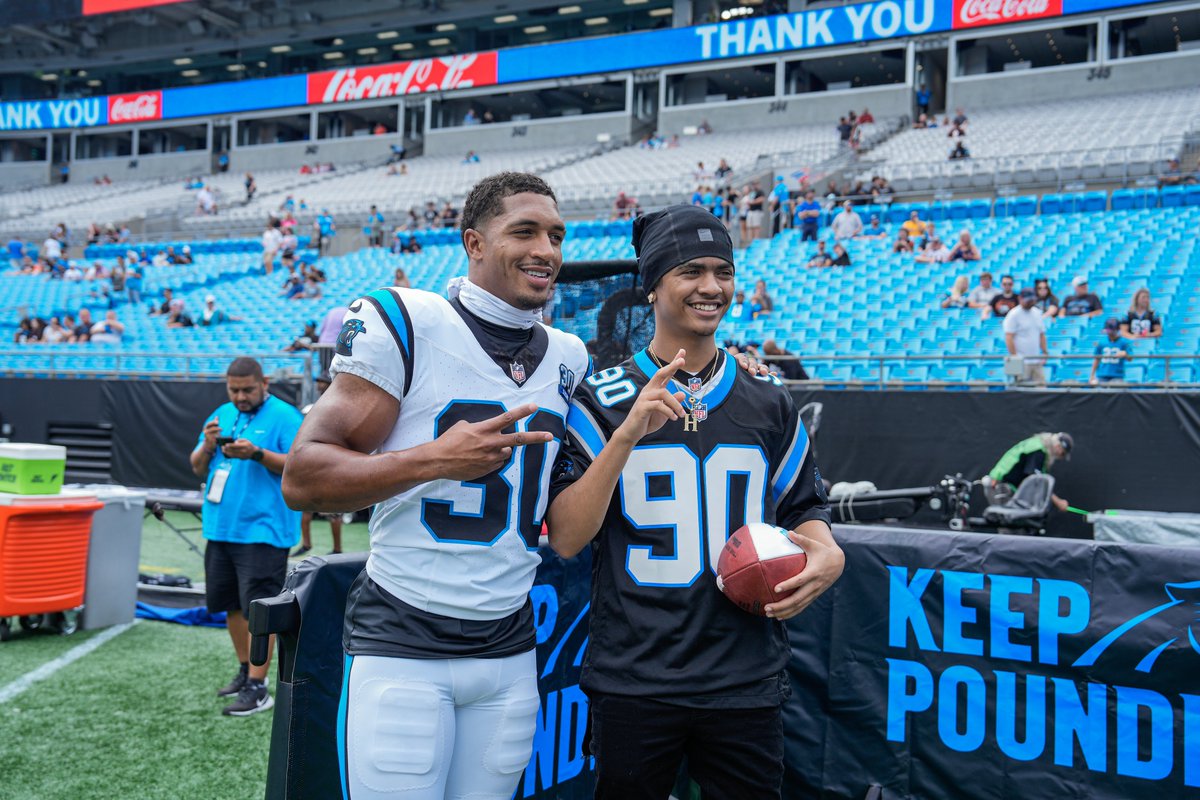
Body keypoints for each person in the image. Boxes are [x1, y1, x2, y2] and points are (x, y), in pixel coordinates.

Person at [280, 172, 591, 800]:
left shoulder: (568, 355)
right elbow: (304, 477)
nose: (546, 250)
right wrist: (433, 460)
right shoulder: (406, 320)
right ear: (474, 243)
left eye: (556, 235)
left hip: (508, 645)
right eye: (524, 232)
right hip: (403, 637)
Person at [543, 204, 841, 800]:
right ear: (653, 285)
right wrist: (627, 433)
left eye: (722, 271)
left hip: (745, 675)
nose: (711, 287)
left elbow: (803, 508)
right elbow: (569, 536)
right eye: (690, 271)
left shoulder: (766, 398)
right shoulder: (600, 400)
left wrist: (828, 553)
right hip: (636, 677)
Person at [190, 358, 303, 716]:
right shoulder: (220, 413)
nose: (239, 396)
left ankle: (259, 687)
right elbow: (195, 466)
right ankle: (244, 671)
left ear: (264, 382)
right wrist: (208, 446)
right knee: (232, 606)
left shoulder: (286, 417)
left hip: (264, 530)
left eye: (247, 389)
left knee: (260, 612)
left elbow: (301, 466)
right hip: (221, 527)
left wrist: (256, 454)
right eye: (234, 389)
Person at [292, 374, 344, 558]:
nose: (318, 385)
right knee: (304, 508)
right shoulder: (315, 404)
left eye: (322, 382)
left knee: (334, 513)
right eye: (318, 382)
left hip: (331, 463)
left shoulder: (341, 402)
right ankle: (306, 544)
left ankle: (337, 549)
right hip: (313, 463)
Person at [983, 432, 1072, 512]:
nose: (1061, 457)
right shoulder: (1039, 451)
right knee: (1011, 526)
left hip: (1000, 485)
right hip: (1000, 487)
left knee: (1011, 524)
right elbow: (1036, 481)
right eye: (1062, 454)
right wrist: (1058, 502)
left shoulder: (1037, 444)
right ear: (1058, 446)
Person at [1002, 288, 1048, 384]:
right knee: (1020, 390)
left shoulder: (1037, 313)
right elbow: (1009, 337)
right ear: (1020, 299)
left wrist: (1044, 352)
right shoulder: (1013, 314)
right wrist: (1014, 358)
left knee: (1041, 388)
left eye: (1032, 300)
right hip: (1020, 361)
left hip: (1036, 360)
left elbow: (1041, 334)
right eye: (1028, 300)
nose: (1030, 302)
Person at [1090, 318, 1133, 385]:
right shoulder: (1102, 342)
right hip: (1102, 374)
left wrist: (1125, 354)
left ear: (1117, 330)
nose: (1109, 332)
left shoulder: (1124, 342)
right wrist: (1092, 375)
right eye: (1108, 330)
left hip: (1117, 375)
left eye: (1112, 330)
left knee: (1116, 388)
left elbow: (1131, 358)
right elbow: (1097, 359)